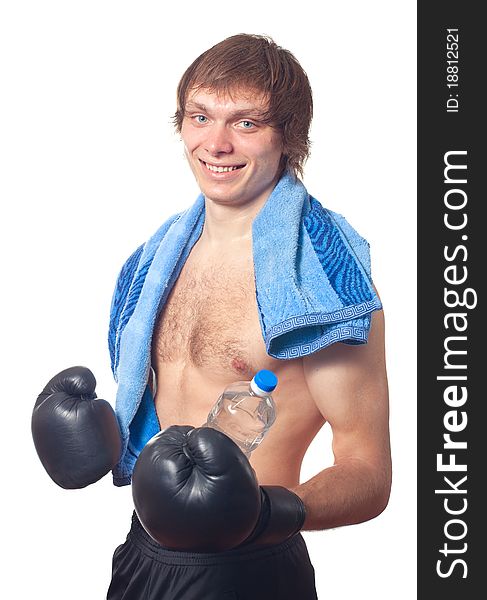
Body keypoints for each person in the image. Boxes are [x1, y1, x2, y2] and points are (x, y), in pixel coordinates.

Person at [32, 33, 391, 600]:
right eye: (200, 116)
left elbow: (369, 472)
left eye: (246, 123)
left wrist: (264, 511)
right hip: (142, 555)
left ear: (288, 137)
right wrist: (99, 444)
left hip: (250, 567)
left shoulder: (321, 284)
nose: (216, 143)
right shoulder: (154, 262)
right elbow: (153, 415)